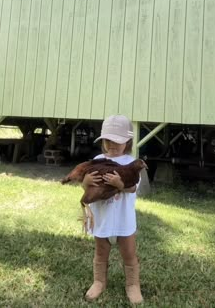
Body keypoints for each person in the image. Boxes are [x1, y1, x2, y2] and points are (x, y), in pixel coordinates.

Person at [83, 115, 143, 304]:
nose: (112, 144)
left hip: (124, 221)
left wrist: (120, 184)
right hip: (102, 218)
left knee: (129, 254)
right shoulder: (98, 159)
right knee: (100, 252)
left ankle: (133, 285)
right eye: (107, 140)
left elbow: (133, 187)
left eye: (117, 141)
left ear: (128, 142)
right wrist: (85, 183)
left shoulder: (131, 162)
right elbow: (88, 187)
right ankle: (99, 281)